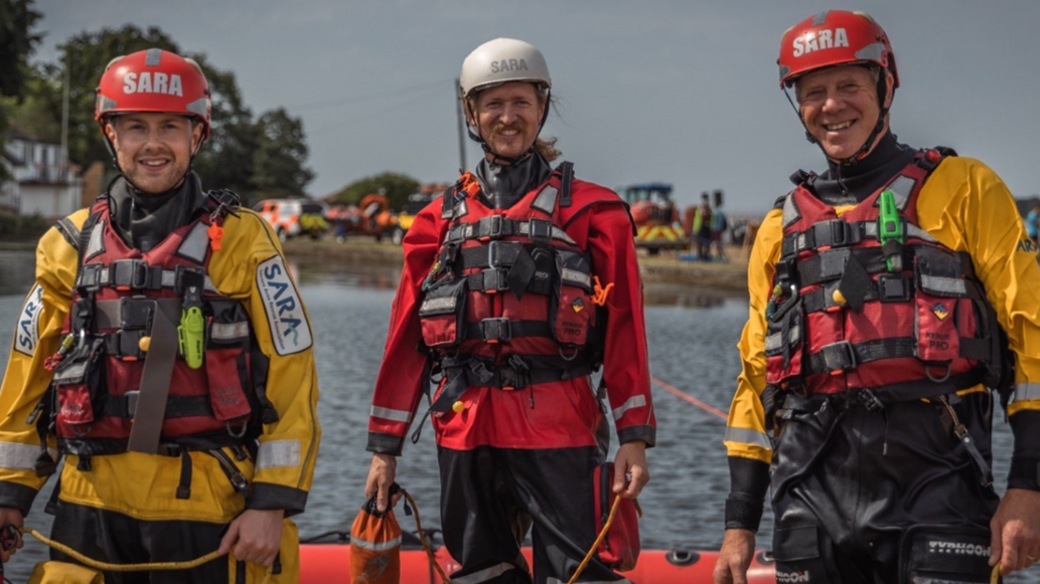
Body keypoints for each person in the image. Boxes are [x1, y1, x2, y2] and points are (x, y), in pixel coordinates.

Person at [714, 10, 1040, 584]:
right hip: (809, 494)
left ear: (885, 86)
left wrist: (1028, 488)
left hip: (939, 485)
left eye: (849, 86)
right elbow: (755, 380)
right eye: (813, 92)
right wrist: (739, 522)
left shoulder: (965, 187)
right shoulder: (778, 228)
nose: (831, 105)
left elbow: (1032, 338)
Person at [0, 48, 320, 583]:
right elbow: (26, 382)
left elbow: (294, 377)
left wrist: (271, 503)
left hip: (207, 503)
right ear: (111, 134)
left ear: (197, 136)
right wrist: (9, 492)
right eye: (135, 127)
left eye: (171, 126)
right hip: (89, 502)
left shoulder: (245, 239)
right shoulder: (65, 246)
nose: (152, 143)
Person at [364, 38, 655, 584]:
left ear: (542, 108)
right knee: (479, 573)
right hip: (464, 427)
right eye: (493, 103)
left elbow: (625, 331)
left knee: (580, 573)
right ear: (472, 113)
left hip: (561, 426)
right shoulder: (435, 222)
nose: (508, 116)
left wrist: (633, 437)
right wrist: (385, 448)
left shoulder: (595, 211)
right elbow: (405, 339)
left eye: (521, 102)